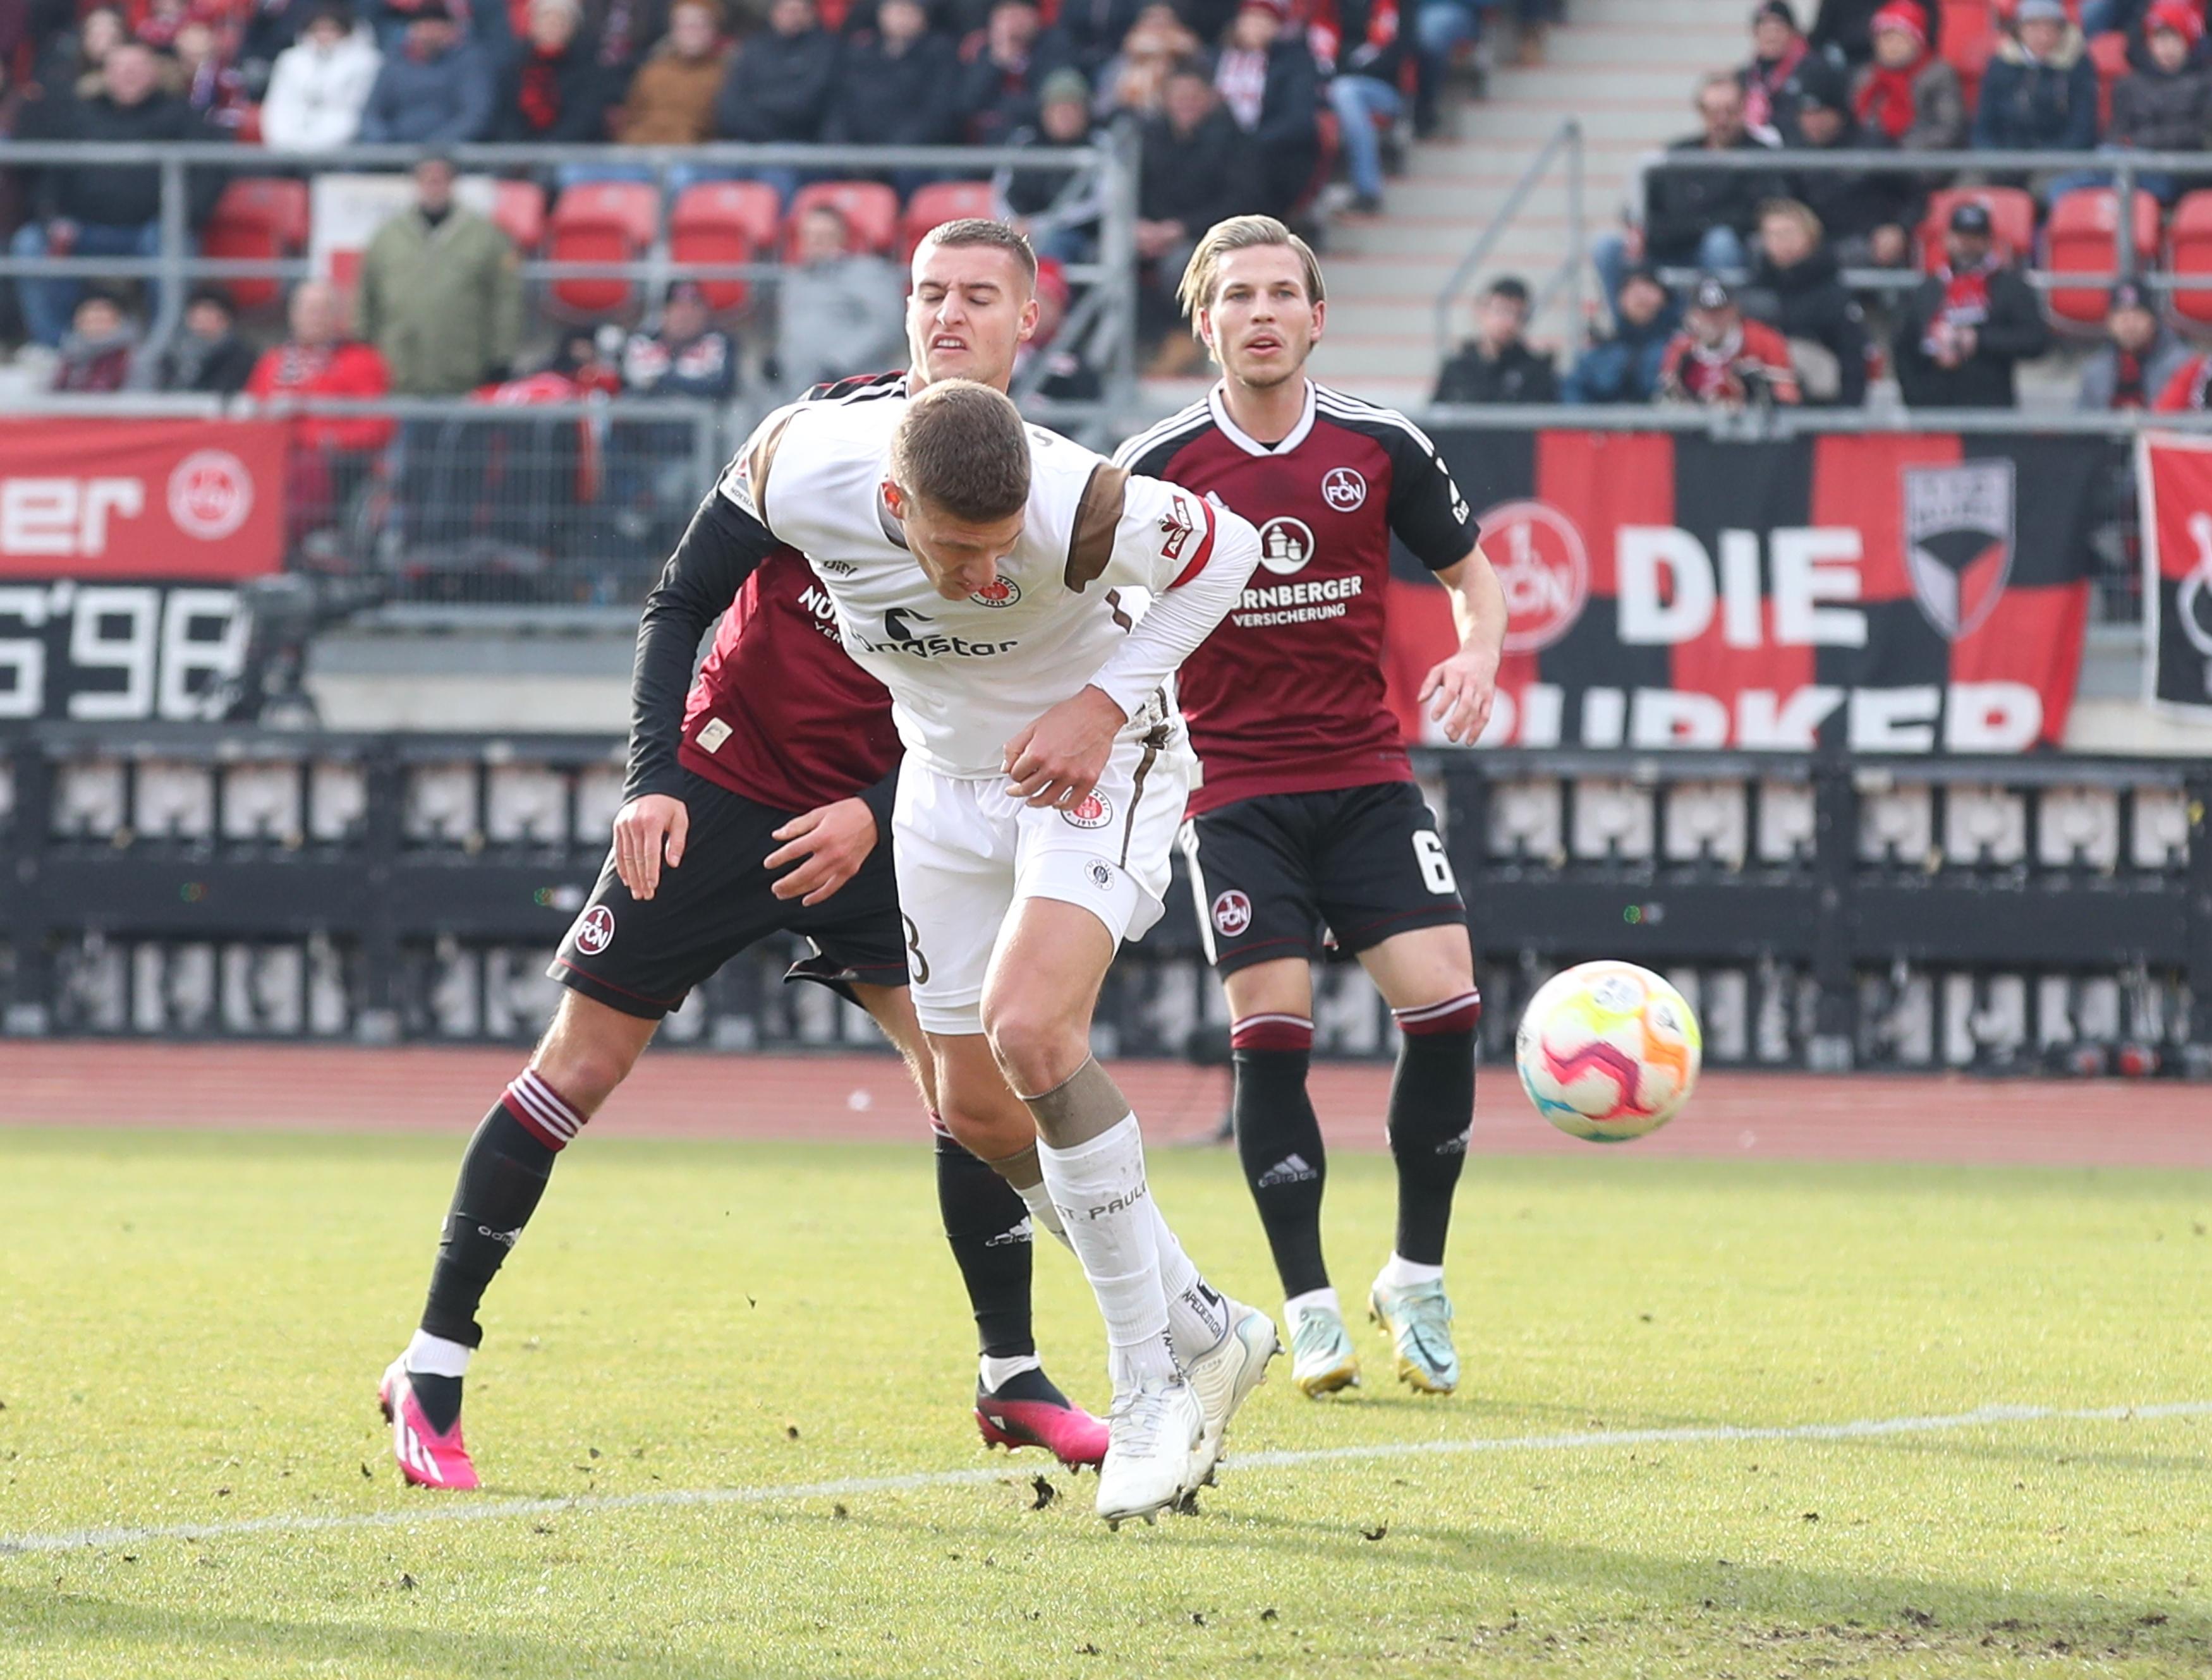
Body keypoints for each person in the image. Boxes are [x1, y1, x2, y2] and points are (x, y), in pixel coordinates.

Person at [379, 222, 1127, 1496]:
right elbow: (677, 600)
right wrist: (652, 783)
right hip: (722, 787)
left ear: (1029, 323)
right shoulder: (821, 439)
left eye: (978, 297)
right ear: (905, 312)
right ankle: (432, 1361)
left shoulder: (1056, 499)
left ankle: (1011, 1374)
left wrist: (872, 811)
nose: (950, 315)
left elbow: (1019, 706)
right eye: (930, 293)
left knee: (968, 1092)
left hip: (900, 814)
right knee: (583, 1064)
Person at [741, 372, 1274, 1531]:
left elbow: (1229, 548)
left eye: (1001, 552)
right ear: (892, 495)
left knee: (1031, 1027)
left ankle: (1152, 1385)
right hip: (942, 780)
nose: (989, 576)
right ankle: (1205, 1322)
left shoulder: (1083, 503)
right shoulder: (796, 464)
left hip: (1098, 758)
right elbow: (701, 569)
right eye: (959, 551)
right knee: (974, 1109)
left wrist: (1102, 699)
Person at [1115, 215, 1502, 1400]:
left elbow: (1472, 578)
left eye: (1285, 293)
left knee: (1447, 1006)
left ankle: (1415, 1277)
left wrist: (1477, 654)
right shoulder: (1159, 464)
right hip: (1232, 791)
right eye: (1239, 296)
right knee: (1275, 1027)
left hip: (1367, 776)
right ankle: (1312, 1304)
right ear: (1207, 322)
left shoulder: (1378, 443)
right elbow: (1100, 609)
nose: (1264, 312)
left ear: (1317, 317)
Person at [8, 39, 224, 349]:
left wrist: (183, 217)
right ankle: (58, 349)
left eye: (137, 69)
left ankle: (165, 351)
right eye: (120, 69)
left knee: (172, 244)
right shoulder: (78, 114)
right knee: (30, 244)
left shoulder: (181, 115)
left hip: (149, 230)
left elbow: (210, 172)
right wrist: (51, 219)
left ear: (154, 73)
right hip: (84, 228)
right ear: (105, 74)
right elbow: (50, 175)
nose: (128, 76)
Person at [1600, 74, 1783, 301]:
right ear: (1701, 112)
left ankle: (1722, 321)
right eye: (1713, 112)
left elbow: (1753, 215)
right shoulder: (1678, 152)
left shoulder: (1761, 156)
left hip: (1727, 253)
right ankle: (1627, 327)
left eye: (1730, 110)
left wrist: (1692, 225)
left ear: (1744, 109)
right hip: (1669, 248)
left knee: (1720, 242)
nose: (1722, 120)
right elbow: (1648, 210)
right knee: (1606, 248)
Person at [355, 154, 524, 394]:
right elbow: (365, 295)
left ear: (453, 183)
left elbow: (506, 299)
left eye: (441, 178)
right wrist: (362, 349)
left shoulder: (486, 235)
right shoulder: (387, 236)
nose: (434, 184)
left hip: (465, 370)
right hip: (398, 371)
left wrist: (501, 356)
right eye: (427, 178)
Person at [245, 279, 396, 540]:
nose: (315, 317)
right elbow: (250, 415)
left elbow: (378, 425)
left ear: (337, 316)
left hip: (334, 466)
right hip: (271, 462)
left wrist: (326, 439)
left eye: (323, 309)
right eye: (308, 309)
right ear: (293, 315)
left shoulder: (361, 361)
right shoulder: (273, 362)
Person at [1136, 61, 1259, 351]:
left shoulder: (1235, 142)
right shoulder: (1147, 138)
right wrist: (1139, 226)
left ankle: (1188, 343)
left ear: (1210, 98)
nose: (1185, 104)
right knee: (1104, 256)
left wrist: (1181, 229)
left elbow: (1242, 203)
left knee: (1181, 268)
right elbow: (1133, 191)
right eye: (1178, 96)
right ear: (1165, 100)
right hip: (1150, 235)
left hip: (1207, 238)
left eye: (1193, 96)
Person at [1892, 200, 2052, 408]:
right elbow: (1904, 347)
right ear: (1948, 238)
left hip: (1990, 410)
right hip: (1934, 411)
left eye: (1976, 237)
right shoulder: (1928, 290)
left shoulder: (2010, 287)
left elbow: (2037, 340)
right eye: (1961, 236)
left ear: (1988, 241)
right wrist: (1916, 399)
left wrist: (1980, 340)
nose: (1968, 244)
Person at [1783, 55, 1914, 267]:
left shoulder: (1873, 145)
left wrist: (1899, 228)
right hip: (1811, 246)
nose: (1812, 122)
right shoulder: (1794, 150)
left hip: (1866, 245)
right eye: (1805, 114)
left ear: (1839, 111)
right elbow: (1784, 203)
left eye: (1820, 112)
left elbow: (1915, 194)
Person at [1741, 198, 1868, 405]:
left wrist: (1846, 419)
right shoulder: (1755, 289)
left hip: (1820, 406)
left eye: (1788, 233)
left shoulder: (1832, 292)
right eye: (1772, 235)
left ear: (1810, 236)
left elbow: (1852, 360)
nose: (1781, 242)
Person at [710, 0, 839, 205]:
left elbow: (804, 106)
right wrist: (764, 122)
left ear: (811, 15)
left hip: (799, 144)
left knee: (776, 164)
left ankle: (776, 235)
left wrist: (758, 107)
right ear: (774, 13)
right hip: (748, 142)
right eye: (787, 9)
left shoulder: (825, 49)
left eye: (799, 10)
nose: (793, 16)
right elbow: (729, 107)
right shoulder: (753, 48)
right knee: (716, 158)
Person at [775, 201, 907, 396]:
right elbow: (790, 332)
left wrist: (840, 362)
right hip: (800, 388)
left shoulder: (868, 273)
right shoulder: (794, 280)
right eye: (809, 235)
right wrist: (779, 359)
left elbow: (887, 326)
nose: (815, 242)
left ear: (842, 238)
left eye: (824, 236)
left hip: (856, 387)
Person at [823, 0, 962, 173]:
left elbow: (937, 114)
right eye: (896, 9)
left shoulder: (941, 54)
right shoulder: (861, 53)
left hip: (915, 156)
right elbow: (840, 106)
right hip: (858, 155)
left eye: (908, 10)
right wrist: (842, 147)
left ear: (923, 16)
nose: (901, 17)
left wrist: (888, 154)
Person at [1210, 0, 1319, 222]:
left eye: (1264, 20)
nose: (1255, 26)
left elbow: (1299, 121)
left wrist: (1250, 142)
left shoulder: (1295, 62)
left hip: (1266, 150)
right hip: (1214, 144)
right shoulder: (1214, 58)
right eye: (1250, 18)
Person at [995, 66, 1105, 260]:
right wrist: (1011, 222)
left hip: (1075, 233)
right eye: (1057, 107)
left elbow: (1099, 203)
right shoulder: (1024, 142)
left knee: (1053, 246)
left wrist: (1039, 226)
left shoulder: (1100, 144)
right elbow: (1000, 191)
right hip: (1019, 227)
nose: (1064, 115)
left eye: (1072, 108)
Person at [2107, 1, 2212, 200]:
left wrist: (2138, 143)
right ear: (2150, 44)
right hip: (2132, 165)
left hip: (2184, 173)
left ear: (2188, 42)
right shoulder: (2128, 86)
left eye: (2175, 39)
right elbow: (2115, 135)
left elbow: (2200, 135)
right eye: (2160, 40)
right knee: (2077, 179)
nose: (2167, 48)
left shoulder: (2206, 83)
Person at [356, 0, 494, 142]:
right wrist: (384, 143)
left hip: (450, 154)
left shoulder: (469, 61)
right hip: (395, 152)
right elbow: (372, 113)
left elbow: (474, 116)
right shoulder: (395, 62)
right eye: (422, 26)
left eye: (435, 26)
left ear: (451, 30)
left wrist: (435, 150)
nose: (428, 34)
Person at [1658, 272, 1802, 407]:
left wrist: (1758, 387)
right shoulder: (1681, 348)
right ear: (1692, 315)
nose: (1713, 320)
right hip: (1698, 425)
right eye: (1706, 312)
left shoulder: (1764, 339)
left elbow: (1788, 396)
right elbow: (1668, 400)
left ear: (1734, 310)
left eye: (1721, 311)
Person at [1974, 0, 2098, 155]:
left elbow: (2082, 129)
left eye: (2050, 28)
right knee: (1973, 180)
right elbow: (1984, 124)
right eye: (2034, 27)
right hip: (2004, 156)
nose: (2043, 37)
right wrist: (1993, 157)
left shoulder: (2078, 65)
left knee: (2051, 180)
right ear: (2019, 29)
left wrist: (2051, 158)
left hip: (2058, 159)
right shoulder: (2001, 63)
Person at [260, 1, 383, 151]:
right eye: (318, 29)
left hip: (340, 149)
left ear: (345, 31)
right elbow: (278, 106)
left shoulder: (365, 63)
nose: (324, 35)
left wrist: (315, 148)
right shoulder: (290, 60)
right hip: (286, 147)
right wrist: (285, 143)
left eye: (331, 29)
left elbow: (354, 113)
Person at [1318, 0, 1404, 214]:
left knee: (1345, 91)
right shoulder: (1327, 9)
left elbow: (1397, 54)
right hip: (1330, 86)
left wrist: (1345, 64)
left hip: (1385, 92)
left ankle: (1367, 190)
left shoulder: (1394, 6)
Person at [1851, 2, 1966, 153]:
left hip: (1920, 161)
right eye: (1886, 39)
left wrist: (1899, 152)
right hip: (1874, 157)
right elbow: (1856, 123)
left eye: (1901, 39)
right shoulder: (1867, 77)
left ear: (1918, 42)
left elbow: (1948, 129)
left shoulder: (1938, 75)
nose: (1892, 47)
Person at [612, 0, 727, 145]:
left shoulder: (724, 75)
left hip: (691, 156)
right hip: (640, 151)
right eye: (684, 26)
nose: (691, 33)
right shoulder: (652, 71)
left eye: (699, 25)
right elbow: (631, 117)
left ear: (713, 30)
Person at [1431, 275, 1559, 403]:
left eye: (1518, 315)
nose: (1509, 321)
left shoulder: (1536, 371)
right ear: (1480, 312)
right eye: (1501, 311)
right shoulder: (1457, 369)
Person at [494, 0, 611, 141]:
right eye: (546, 19)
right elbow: (507, 116)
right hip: (519, 154)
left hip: (571, 151)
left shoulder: (588, 69)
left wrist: (546, 150)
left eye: (560, 21)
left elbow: (584, 118)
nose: (552, 26)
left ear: (572, 28)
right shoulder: (514, 67)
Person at [1562, 265, 1679, 404]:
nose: (1641, 296)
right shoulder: (1600, 353)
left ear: (1663, 298)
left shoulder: (1678, 349)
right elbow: (1573, 391)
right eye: (1633, 290)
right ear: (1620, 299)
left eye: (1649, 288)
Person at [959, 0, 1071, 145]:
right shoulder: (984, 53)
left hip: (1036, 144)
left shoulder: (1053, 47)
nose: (1013, 24)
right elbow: (966, 104)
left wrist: (1001, 107)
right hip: (983, 146)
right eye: (1006, 16)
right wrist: (997, 62)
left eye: (1019, 14)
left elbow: (1046, 103)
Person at [2079, 281, 2192, 408]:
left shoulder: (2183, 366)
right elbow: (2081, 422)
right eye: (2122, 317)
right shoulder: (2097, 370)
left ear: (2153, 320)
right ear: (2109, 322)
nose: (2130, 325)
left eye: (2137, 316)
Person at [623, 279, 736, 399]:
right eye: (678, 308)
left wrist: (660, 381)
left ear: (705, 313)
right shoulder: (639, 344)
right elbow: (624, 387)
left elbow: (722, 388)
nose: (686, 316)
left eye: (694, 308)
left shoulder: (718, 345)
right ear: (664, 313)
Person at [150, 286, 260, 394]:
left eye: (208, 312)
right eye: (196, 312)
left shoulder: (239, 356)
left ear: (225, 318)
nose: (200, 318)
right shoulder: (173, 353)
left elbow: (225, 391)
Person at [1740, 0, 1814, 137]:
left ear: (1793, 32)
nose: (1772, 37)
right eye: (1765, 29)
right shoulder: (1745, 77)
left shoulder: (1810, 72)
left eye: (1778, 29)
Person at [49, 291, 140, 391]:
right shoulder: (65, 356)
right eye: (90, 321)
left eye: (102, 321)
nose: (96, 327)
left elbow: (137, 398)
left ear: (117, 322)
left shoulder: (130, 358)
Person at [1811, 0, 1937, 67]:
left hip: (1910, 66)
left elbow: (1928, 35)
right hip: (1848, 66)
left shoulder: (1932, 78)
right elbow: (1818, 39)